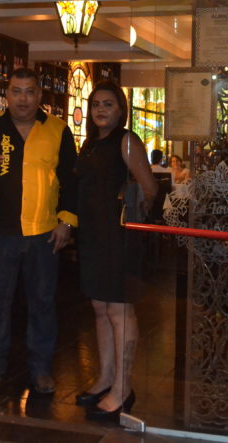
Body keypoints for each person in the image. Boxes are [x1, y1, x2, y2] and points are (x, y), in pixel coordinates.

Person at [0, 67, 77, 396]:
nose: (23, 99)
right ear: (7, 94)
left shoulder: (58, 130)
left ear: (40, 95)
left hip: (44, 234)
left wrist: (67, 221)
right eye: (16, 91)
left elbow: (71, 180)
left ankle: (41, 369)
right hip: (0, 233)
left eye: (30, 91)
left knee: (42, 304)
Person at [72, 81, 157, 421]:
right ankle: (106, 378)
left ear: (121, 109)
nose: (101, 109)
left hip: (118, 239)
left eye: (108, 104)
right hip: (93, 237)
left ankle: (123, 389)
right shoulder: (91, 144)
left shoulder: (127, 140)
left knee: (119, 311)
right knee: (100, 308)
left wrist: (127, 221)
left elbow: (149, 188)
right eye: (96, 104)